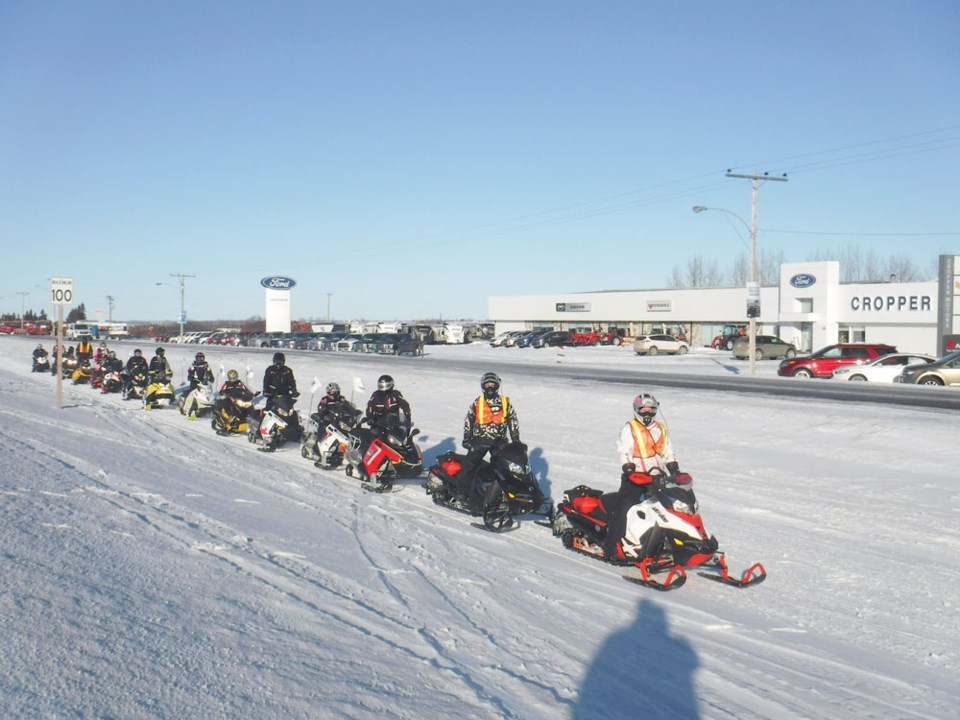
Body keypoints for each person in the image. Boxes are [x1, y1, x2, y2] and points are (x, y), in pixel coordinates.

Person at [605, 393, 681, 560]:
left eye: (651, 410)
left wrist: (674, 468)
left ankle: (670, 542)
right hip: (635, 475)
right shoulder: (629, 428)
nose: (647, 414)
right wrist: (629, 468)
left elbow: (667, 450)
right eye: (643, 409)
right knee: (626, 506)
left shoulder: (660, 428)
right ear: (636, 410)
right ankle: (612, 546)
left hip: (657, 475)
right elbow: (624, 450)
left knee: (669, 506)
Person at [462, 372, 521, 465]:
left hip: (499, 442)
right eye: (487, 385)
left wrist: (516, 440)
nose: (490, 387)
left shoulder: (504, 402)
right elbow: (469, 420)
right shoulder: (477, 402)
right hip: (480, 441)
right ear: (483, 386)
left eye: (492, 384)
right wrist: (467, 439)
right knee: (469, 465)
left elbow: (512, 420)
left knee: (504, 467)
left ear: (497, 386)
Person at [260, 352, 301, 435]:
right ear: (274, 361)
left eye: (280, 361)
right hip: (273, 395)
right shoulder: (270, 370)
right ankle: (262, 429)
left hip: (285, 396)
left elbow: (292, 382)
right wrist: (266, 390)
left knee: (291, 412)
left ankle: (295, 429)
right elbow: (266, 381)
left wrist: (294, 391)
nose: (278, 363)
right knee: (268, 410)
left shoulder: (287, 371)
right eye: (277, 361)